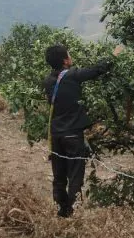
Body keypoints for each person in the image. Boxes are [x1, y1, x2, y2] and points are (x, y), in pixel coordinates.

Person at [43, 44, 123, 217]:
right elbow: (97, 70)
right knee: (75, 175)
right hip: (72, 134)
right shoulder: (72, 76)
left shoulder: (48, 81)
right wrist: (114, 55)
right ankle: (73, 213)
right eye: (69, 54)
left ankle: (61, 212)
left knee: (59, 176)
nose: (71, 56)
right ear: (65, 61)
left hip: (56, 135)